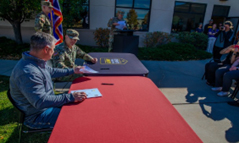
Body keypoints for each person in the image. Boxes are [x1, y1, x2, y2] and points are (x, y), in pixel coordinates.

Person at [9, 32, 87, 129]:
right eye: (53, 49)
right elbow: (41, 102)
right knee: (77, 118)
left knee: (80, 107)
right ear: (46, 49)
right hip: (37, 115)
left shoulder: (36, 60)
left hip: (47, 104)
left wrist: (73, 70)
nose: (54, 52)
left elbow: (51, 71)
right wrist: (70, 97)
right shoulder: (28, 72)